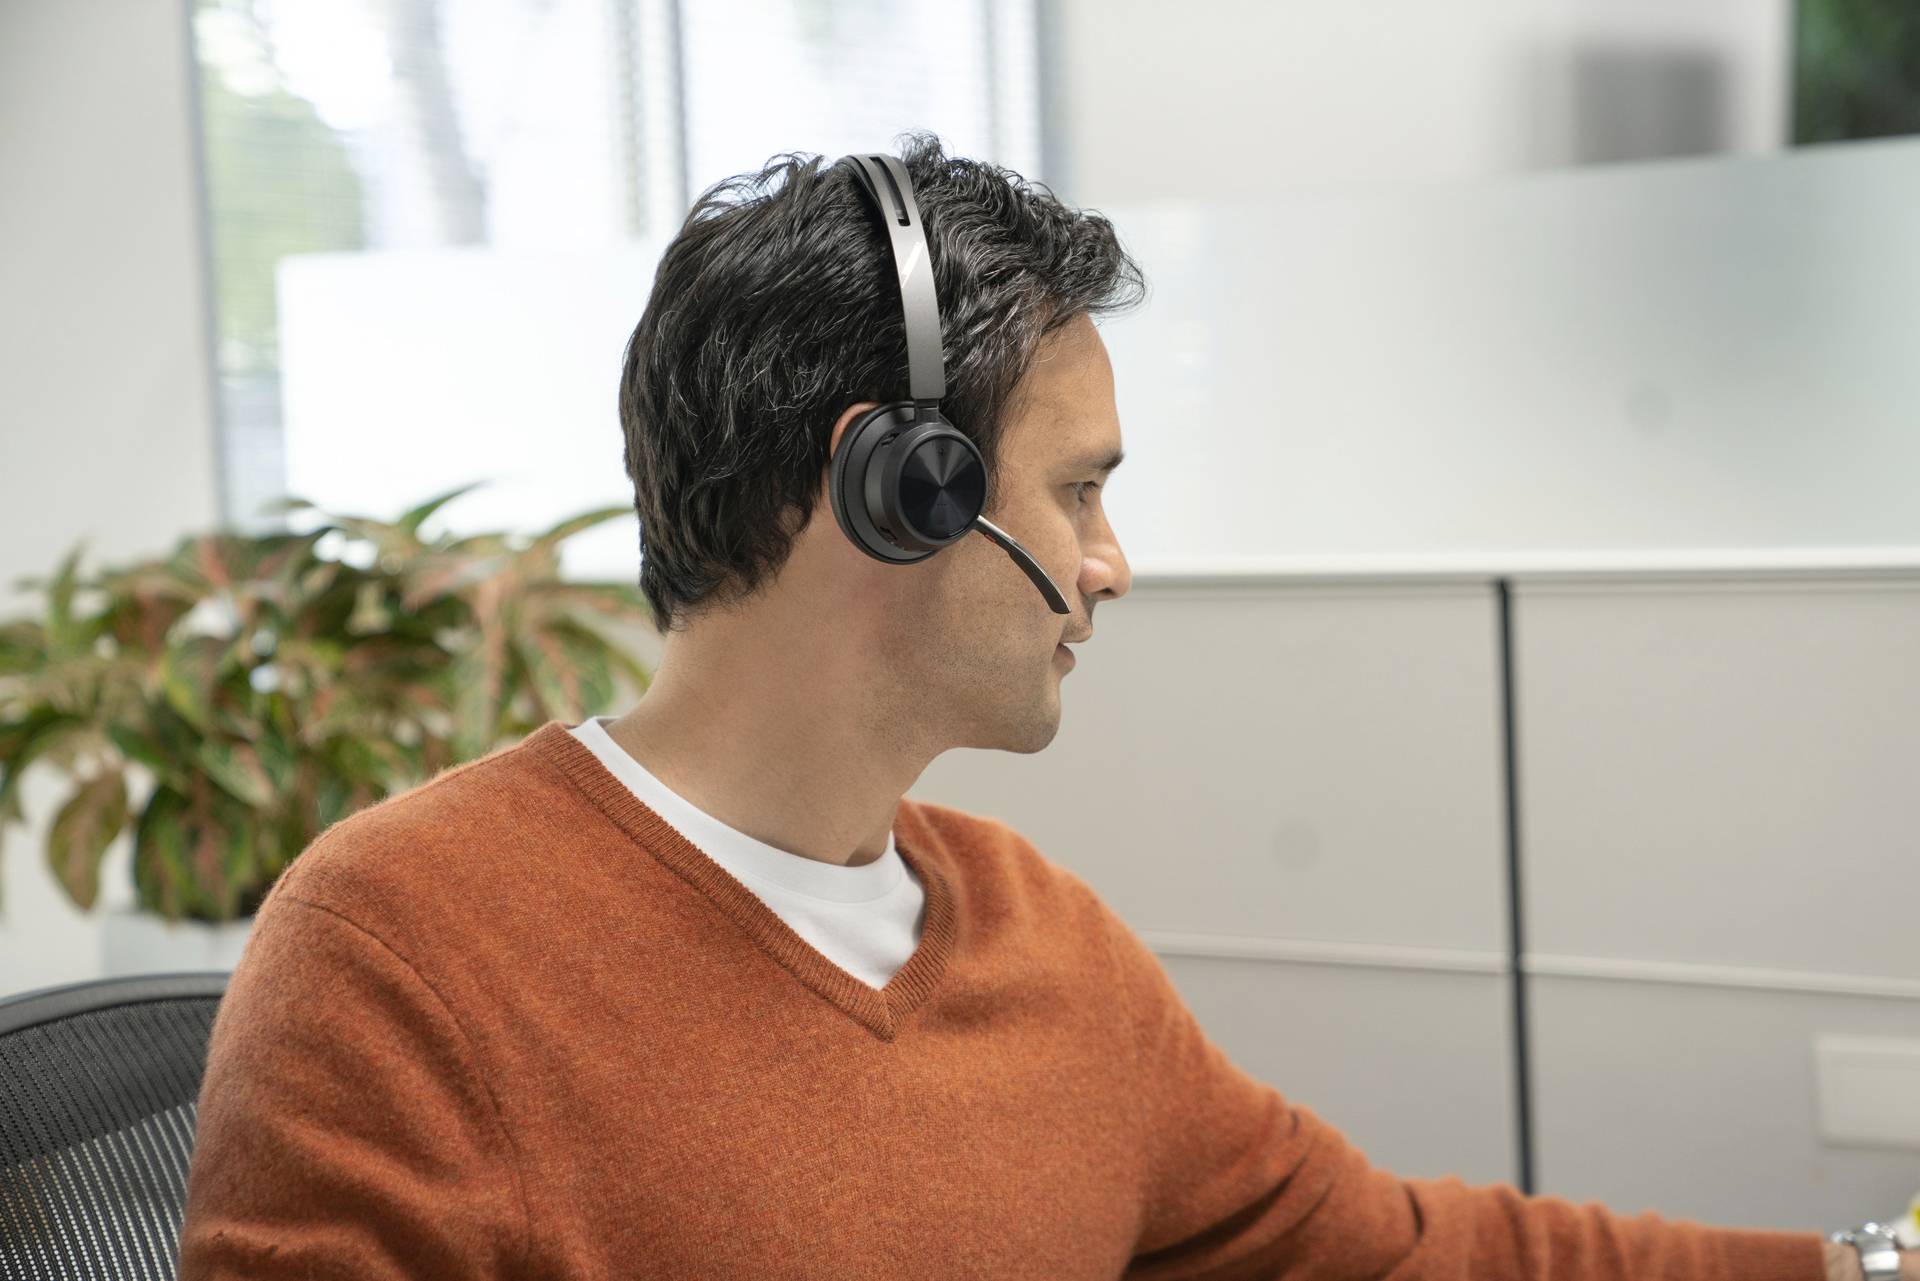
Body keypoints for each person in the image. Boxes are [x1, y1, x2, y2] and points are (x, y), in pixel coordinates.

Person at [177, 130, 1907, 1280]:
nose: (1111, 563)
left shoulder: (1034, 938)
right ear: (898, 489)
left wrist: (1861, 1261)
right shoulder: (405, 953)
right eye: (1078, 491)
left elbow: (1395, 1247)